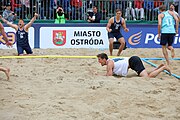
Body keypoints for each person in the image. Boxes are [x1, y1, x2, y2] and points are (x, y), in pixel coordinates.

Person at [97, 53, 171, 78]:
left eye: (100, 59)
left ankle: (163, 68)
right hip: (132, 62)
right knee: (144, 72)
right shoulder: (111, 61)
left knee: (147, 77)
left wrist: (100, 76)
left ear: (104, 59)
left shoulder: (109, 63)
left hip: (133, 62)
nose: (99, 61)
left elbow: (109, 76)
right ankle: (159, 67)